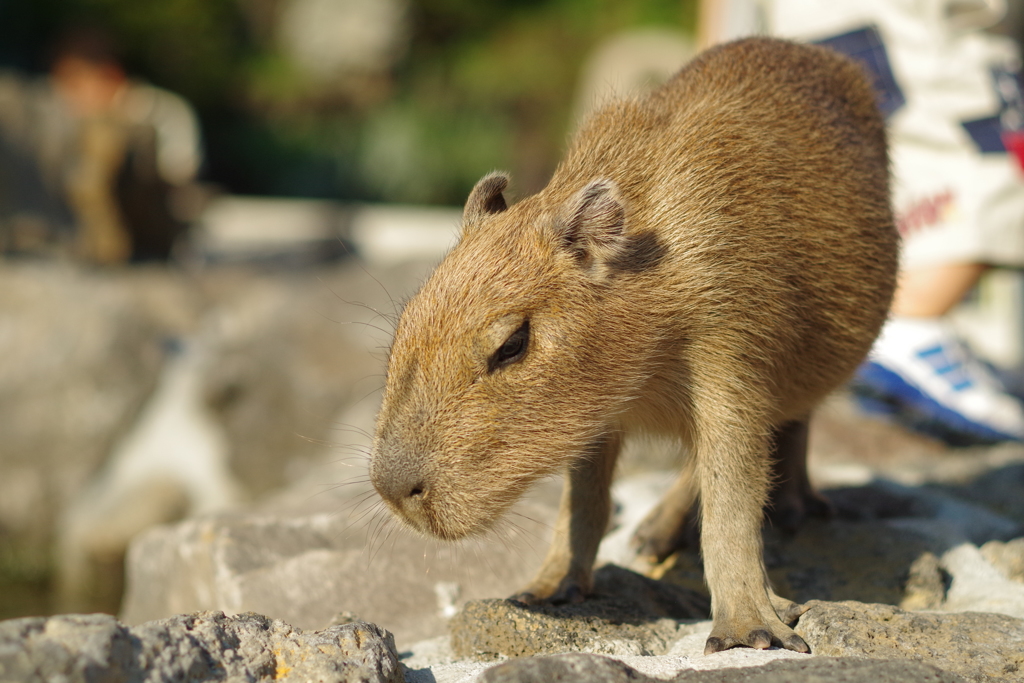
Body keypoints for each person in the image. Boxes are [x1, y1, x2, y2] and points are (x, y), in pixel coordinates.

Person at [699, 0, 1024, 444]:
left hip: (813, 22)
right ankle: (910, 323)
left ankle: (879, 332)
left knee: (865, 153)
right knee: (990, 152)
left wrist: (713, 48)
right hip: (922, 22)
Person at [0, 26, 202, 263]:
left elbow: (179, 178)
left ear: (111, 75)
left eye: (72, 84)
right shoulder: (61, 119)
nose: (65, 97)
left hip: (154, 231)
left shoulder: (160, 113)